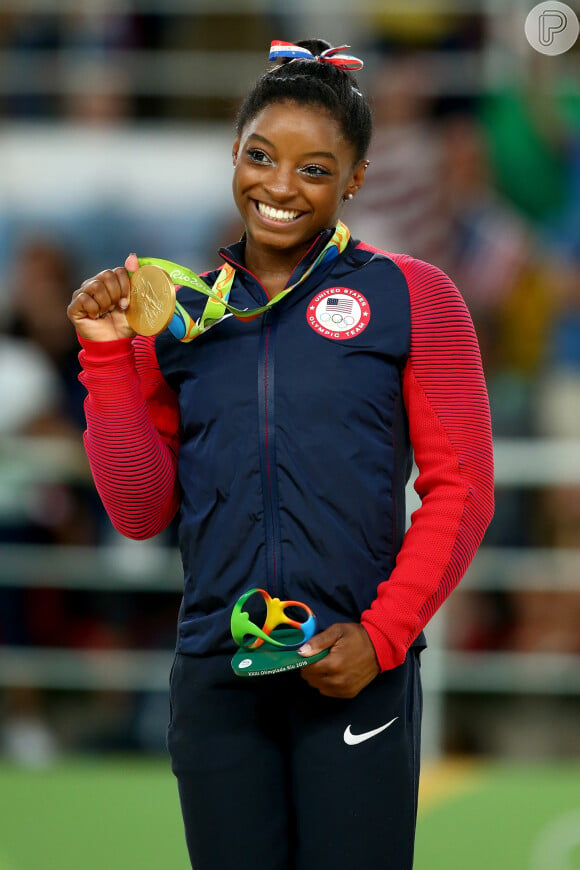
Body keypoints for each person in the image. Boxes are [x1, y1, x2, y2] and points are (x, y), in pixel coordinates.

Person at [67, 38, 494, 870]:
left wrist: (382, 637)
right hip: (217, 676)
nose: (279, 187)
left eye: (314, 168)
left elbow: (463, 489)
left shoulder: (413, 296)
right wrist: (105, 354)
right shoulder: (180, 315)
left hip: (354, 664)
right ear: (234, 154)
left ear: (355, 180)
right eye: (261, 156)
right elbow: (138, 508)